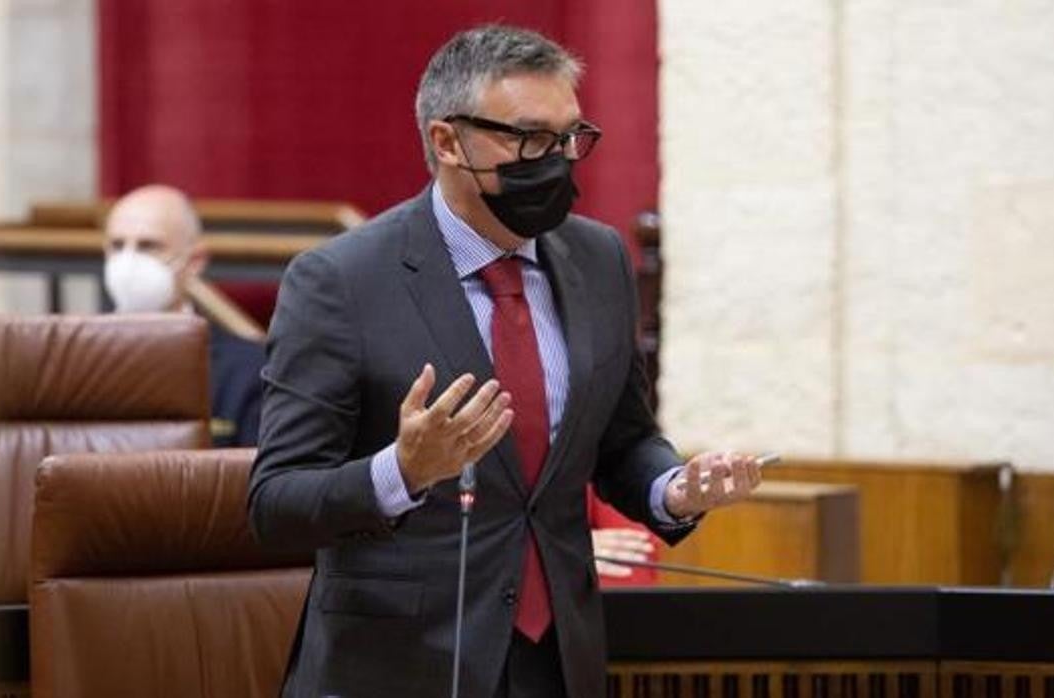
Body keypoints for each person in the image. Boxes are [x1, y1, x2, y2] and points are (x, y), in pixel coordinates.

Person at [247, 25, 762, 698]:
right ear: (447, 142)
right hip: (399, 665)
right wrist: (402, 471)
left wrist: (671, 489)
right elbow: (276, 502)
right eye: (529, 139)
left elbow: (623, 439)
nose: (557, 160)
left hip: (556, 657)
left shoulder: (599, 259)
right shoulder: (340, 281)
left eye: (569, 137)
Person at [102, 184, 263, 447]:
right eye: (117, 246)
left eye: (148, 246)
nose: (128, 261)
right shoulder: (74, 362)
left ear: (195, 260)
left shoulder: (248, 371)